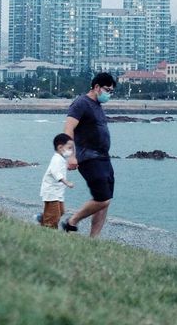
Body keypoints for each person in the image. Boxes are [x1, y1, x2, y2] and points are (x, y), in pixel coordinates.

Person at [61, 72, 116, 237]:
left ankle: (93, 240)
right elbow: (68, 129)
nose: (108, 94)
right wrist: (70, 156)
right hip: (88, 157)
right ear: (96, 87)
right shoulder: (81, 103)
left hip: (103, 157)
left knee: (105, 202)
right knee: (102, 198)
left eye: (111, 91)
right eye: (107, 90)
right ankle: (72, 221)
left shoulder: (97, 105)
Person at [39, 133, 75, 229]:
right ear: (60, 147)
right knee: (54, 215)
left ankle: (42, 218)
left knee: (61, 211)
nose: (71, 151)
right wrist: (66, 182)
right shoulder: (56, 159)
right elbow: (55, 172)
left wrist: (67, 167)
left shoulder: (61, 159)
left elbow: (60, 169)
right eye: (69, 148)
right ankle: (50, 229)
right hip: (51, 191)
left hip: (57, 192)